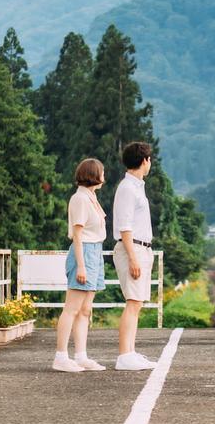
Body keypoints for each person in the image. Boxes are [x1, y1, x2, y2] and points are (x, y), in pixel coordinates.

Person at [53, 158, 108, 372]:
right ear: (94, 175)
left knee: (85, 310)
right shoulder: (80, 200)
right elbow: (77, 235)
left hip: (95, 250)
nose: (104, 176)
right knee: (72, 308)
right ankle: (60, 356)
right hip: (83, 251)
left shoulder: (91, 197)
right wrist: (82, 266)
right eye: (102, 172)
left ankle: (81, 355)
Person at [112, 142, 158, 371]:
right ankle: (124, 355)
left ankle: (130, 351)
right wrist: (133, 258)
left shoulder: (137, 186)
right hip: (133, 248)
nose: (150, 163)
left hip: (141, 248)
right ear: (144, 161)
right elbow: (124, 226)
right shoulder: (128, 188)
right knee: (133, 302)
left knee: (137, 302)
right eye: (149, 159)